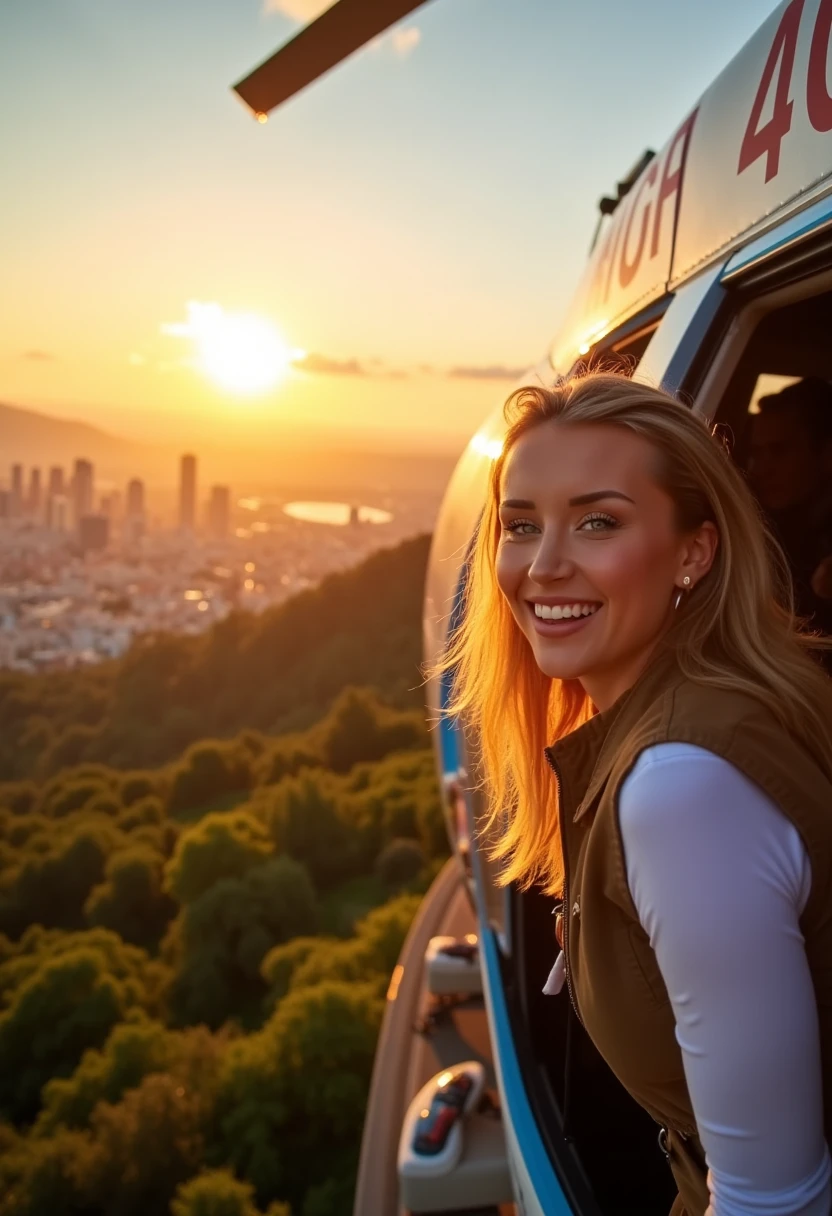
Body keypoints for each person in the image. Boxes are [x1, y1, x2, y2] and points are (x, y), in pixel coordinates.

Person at [437, 372, 832, 1216]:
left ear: (695, 549)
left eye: (597, 522)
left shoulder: (679, 789)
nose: (542, 567)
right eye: (519, 525)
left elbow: (776, 1202)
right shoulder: (736, 696)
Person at [748, 378, 832, 638]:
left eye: (779, 451)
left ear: (827, 452)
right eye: (757, 453)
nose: (761, 470)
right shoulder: (752, 526)